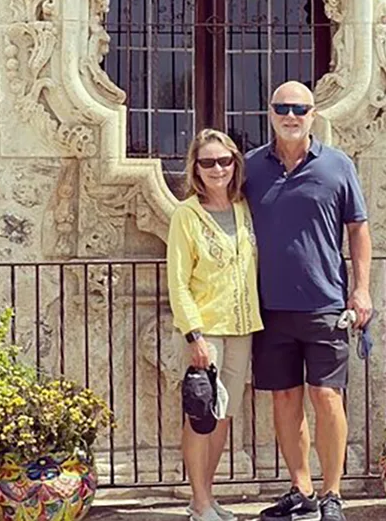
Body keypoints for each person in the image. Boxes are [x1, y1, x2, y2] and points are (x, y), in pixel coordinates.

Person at [244, 81, 373, 521]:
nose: (291, 115)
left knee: (327, 397)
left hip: (326, 306)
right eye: (283, 107)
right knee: (284, 399)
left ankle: (333, 494)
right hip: (270, 308)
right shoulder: (251, 168)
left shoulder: (338, 166)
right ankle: (301, 489)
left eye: (300, 108)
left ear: (313, 113)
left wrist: (361, 289)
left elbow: (358, 229)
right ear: (270, 112)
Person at [167, 128, 264, 521]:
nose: (217, 168)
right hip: (205, 331)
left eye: (224, 160)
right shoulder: (186, 215)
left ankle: (204, 499)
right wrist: (195, 336)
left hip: (242, 326)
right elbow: (177, 280)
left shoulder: (244, 208)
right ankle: (201, 501)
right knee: (200, 417)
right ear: (196, 168)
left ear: (235, 163)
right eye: (207, 162)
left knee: (224, 415)